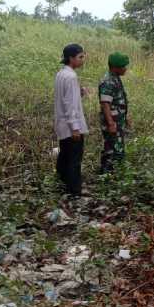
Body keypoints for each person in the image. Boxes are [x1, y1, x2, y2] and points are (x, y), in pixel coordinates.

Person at [54, 43, 89, 196]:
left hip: (63, 124)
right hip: (71, 126)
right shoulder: (71, 76)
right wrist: (75, 127)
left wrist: (79, 92)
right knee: (74, 159)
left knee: (64, 155)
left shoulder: (61, 74)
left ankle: (61, 184)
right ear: (71, 58)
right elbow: (70, 104)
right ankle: (74, 191)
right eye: (80, 57)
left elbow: (66, 98)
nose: (82, 60)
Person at [98, 52, 130, 174]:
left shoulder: (115, 78)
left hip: (118, 119)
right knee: (111, 149)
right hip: (112, 121)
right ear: (115, 67)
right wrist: (111, 123)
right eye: (123, 66)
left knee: (117, 147)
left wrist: (125, 117)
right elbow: (105, 103)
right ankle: (107, 175)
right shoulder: (108, 81)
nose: (125, 69)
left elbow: (117, 101)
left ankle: (114, 174)